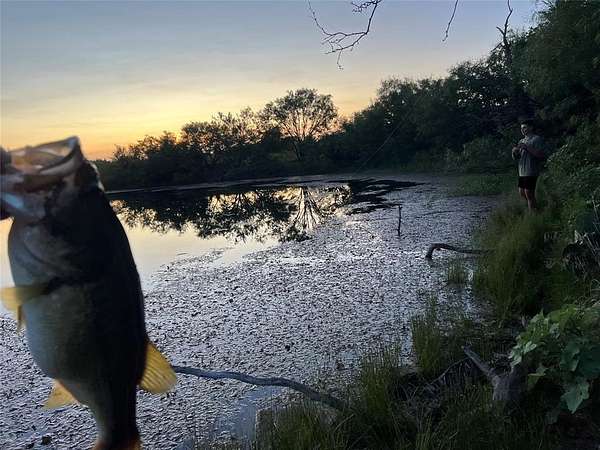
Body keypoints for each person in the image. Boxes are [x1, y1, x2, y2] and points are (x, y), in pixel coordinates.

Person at [512, 119, 546, 211]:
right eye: (521, 128)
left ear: (531, 127)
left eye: (524, 127)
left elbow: (540, 155)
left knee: (529, 194)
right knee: (522, 193)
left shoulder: (536, 139)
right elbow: (517, 157)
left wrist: (526, 147)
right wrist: (514, 152)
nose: (522, 130)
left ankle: (534, 214)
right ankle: (534, 210)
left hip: (531, 170)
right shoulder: (521, 141)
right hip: (522, 171)